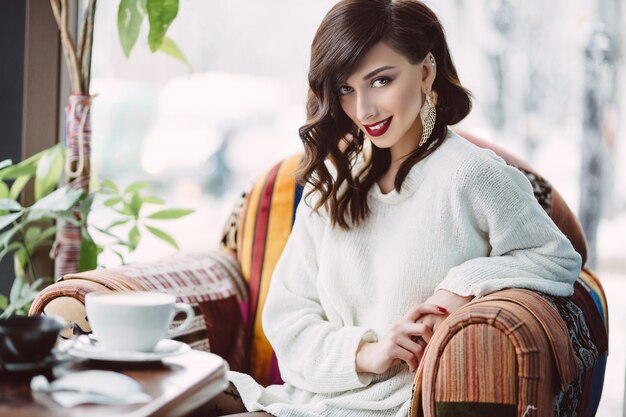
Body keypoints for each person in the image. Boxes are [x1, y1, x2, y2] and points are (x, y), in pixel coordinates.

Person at [207, 0, 582, 416]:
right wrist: (368, 352)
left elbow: (556, 256)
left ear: (425, 71)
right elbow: (288, 322)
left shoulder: (472, 174)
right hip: (306, 401)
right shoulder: (330, 184)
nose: (363, 110)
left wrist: (461, 285)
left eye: (380, 81)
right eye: (346, 89)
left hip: (401, 406)